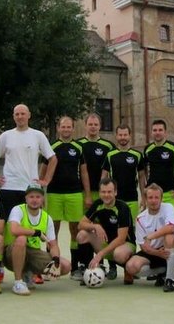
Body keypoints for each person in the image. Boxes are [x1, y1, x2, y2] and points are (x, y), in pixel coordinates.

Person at [41, 116, 91, 281]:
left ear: (73, 128)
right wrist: (41, 190)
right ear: (59, 128)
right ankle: (51, 267)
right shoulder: (51, 147)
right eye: (64, 127)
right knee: (52, 230)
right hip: (54, 193)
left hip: (74, 193)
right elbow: (44, 169)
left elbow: (83, 172)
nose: (66, 130)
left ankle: (75, 267)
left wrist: (88, 194)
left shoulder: (78, 148)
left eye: (69, 127)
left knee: (75, 230)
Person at [0, 104, 56, 221]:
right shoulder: (6, 136)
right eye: (17, 114)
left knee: (29, 223)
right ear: (13, 117)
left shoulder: (38, 135)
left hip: (30, 188)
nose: (20, 117)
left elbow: (53, 158)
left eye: (23, 114)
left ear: (29, 115)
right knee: (8, 223)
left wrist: (46, 180)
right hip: (9, 187)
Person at [144, 118, 174, 283]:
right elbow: (142, 171)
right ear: (152, 132)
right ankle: (161, 269)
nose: (157, 133)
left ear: (165, 132)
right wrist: (144, 191)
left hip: (170, 197)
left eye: (160, 130)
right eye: (155, 130)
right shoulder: (148, 149)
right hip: (153, 198)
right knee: (156, 233)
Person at [4, 183, 71, 296]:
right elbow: (14, 230)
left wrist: (56, 260)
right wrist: (36, 232)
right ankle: (18, 282)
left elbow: (53, 245)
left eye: (38, 197)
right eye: (31, 197)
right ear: (26, 198)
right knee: (21, 239)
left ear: (42, 199)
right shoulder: (18, 209)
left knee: (65, 266)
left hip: (33, 253)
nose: (34, 200)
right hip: (11, 252)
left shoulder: (46, 218)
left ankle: (29, 272)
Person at [76, 113, 116, 277]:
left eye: (96, 124)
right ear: (85, 125)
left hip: (104, 194)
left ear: (100, 126)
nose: (93, 127)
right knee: (85, 229)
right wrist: (87, 195)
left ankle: (109, 265)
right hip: (83, 193)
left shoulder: (108, 145)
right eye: (90, 124)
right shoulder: (78, 145)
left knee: (107, 228)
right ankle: (85, 264)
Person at [76, 178, 136, 284]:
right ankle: (89, 270)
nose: (106, 195)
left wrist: (100, 255)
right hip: (106, 243)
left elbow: (121, 239)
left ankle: (128, 269)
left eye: (109, 192)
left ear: (115, 192)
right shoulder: (98, 204)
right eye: (103, 192)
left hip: (125, 245)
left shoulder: (122, 208)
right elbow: (81, 225)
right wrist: (95, 226)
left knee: (119, 254)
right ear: (99, 193)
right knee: (82, 235)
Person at [125, 184, 174, 292]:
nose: (153, 201)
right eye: (150, 198)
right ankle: (162, 271)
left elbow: (171, 228)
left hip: (171, 249)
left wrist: (150, 237)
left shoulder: (168, 207)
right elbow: (143, 246)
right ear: (145, 199)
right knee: (130, 267)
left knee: (169, 237)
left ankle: (170, 279)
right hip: (153, 252)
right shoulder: (140, 218)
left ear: (161, 199)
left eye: (156, 197)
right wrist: (157, 253)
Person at [101, 124, 146, 221]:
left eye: (125, 135)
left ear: (130, 135)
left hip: (132, 198)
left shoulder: (137, 155)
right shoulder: (110, 155)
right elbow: (104, 176)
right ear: (116, 136)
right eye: (120, 135)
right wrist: (104, 195)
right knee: (114, 228)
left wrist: (143, 196)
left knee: (132, 228)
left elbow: (142, 177)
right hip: (114, 199)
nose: (123, 138)